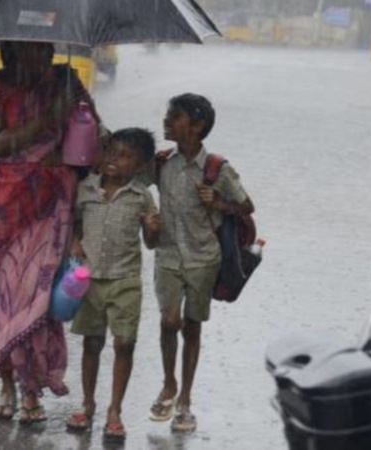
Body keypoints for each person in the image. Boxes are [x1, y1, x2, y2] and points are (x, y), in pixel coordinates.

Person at [0, 40, 100, 424]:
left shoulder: (65, 81)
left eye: (47, 51)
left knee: (35, 294)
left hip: (48, 206)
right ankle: (7, 385)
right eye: (33, 51)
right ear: (10, 52)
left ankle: (32, 391)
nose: (44, 58)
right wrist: (49, 116)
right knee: (1, 296)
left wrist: (71, 147)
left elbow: (91, 133)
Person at [148, 93, 254, 432]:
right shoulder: (162, 162)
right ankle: (168, 383)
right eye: (167, 114)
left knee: (192, 327)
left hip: (203, 259)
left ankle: (185, 400)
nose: (166, 121)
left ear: (197, 126)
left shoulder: (217, 169)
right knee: (169, 321)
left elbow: (246, 206)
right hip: (167, 256)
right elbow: (128, 169)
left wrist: (219, 202)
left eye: (174, 116)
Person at [65, 128, 160, 439]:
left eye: (124, 156)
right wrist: (75, 242)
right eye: (110, 152)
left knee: (124, 343)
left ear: (141, 166)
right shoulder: (86, 189)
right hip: (90, 280)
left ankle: (114, 410)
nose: (113, 160)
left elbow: (151, 242)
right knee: (92, 342)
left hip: (125, 281)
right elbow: (73, 224)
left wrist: (152, 228)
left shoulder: (142, 197)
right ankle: (88, 403)